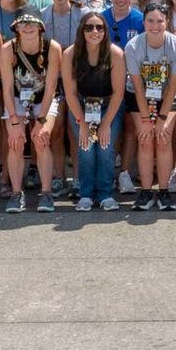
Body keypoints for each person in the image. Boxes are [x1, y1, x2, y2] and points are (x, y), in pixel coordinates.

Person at [126, 3, 176, 210]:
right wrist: (146, 120)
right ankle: (145, 191)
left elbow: (173, 86)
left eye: (160, 21)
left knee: (163, 138)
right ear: (143, 22)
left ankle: (163, 191)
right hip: (140, 95)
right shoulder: (133, 46)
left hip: (168, 96)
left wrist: (161, 120)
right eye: (150, 21)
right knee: (144, 139)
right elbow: (136, 85)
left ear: (167, 22)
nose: (155, 25)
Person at [61, 11, 125, 211]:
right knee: (86, 147)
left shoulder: (115, 54)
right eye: (89, 27)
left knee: (105, 148)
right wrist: (83, 123)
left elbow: (118, 93)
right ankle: (86, 194)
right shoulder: (70, 54)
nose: (94, 31)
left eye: (99, 27)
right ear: (82, 30)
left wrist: (105, 123)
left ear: (105, 31)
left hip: (109, 105)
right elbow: (70, 93)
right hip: (81, 105)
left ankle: (105, 194)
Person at [0, 13, 63, 212]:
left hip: (44, 98)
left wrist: (41, 120)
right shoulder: (8, 49)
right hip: (18, 98)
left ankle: (46, 193)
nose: (28, 27)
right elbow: (8, 88)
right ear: (16, 28)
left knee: (41, 138)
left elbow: (51, 87)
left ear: (40, 27)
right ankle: (17, 193)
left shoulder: (52, 47)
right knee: (15, 142)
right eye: (23, 24)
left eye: (32, 23)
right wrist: (15, 124)